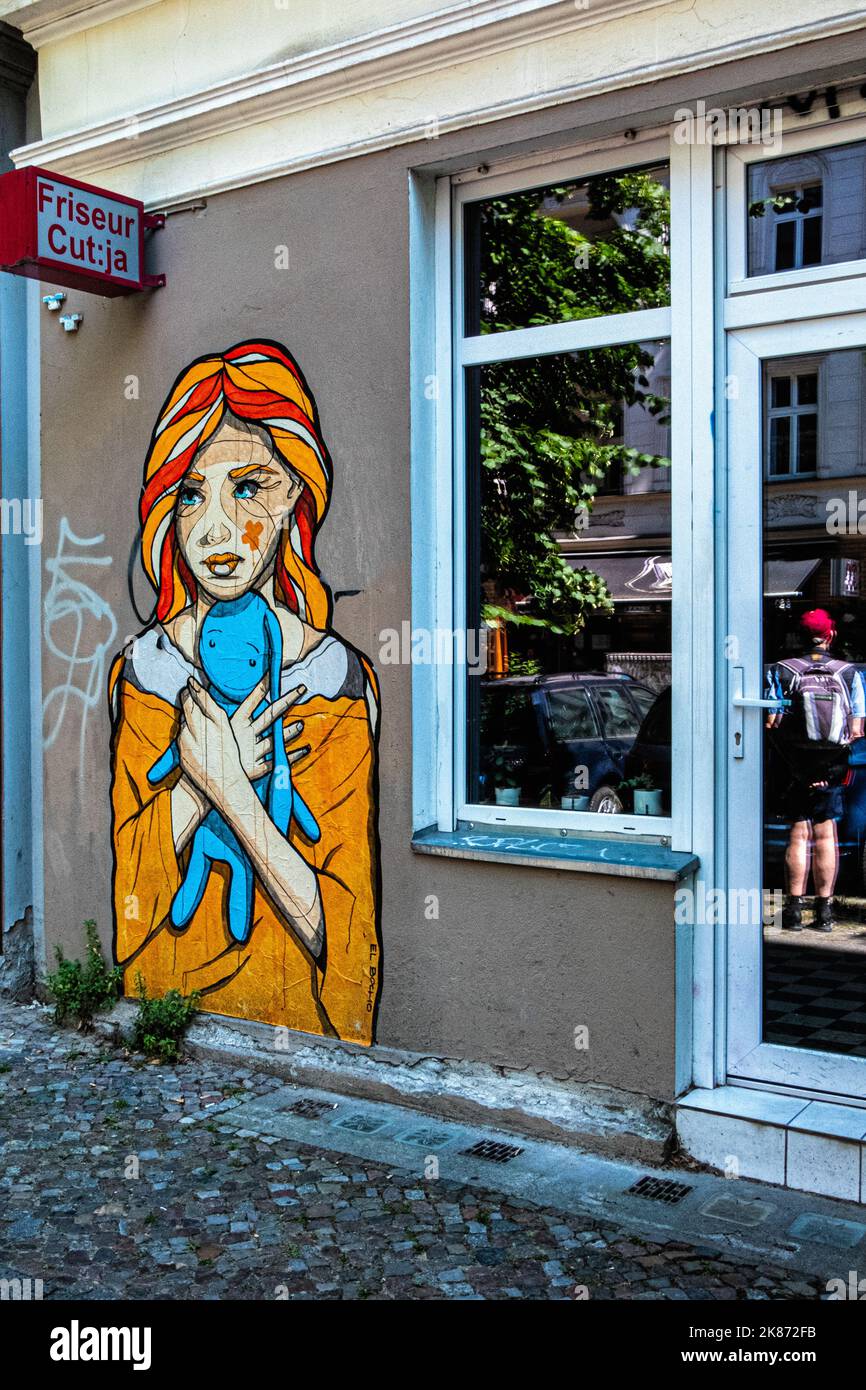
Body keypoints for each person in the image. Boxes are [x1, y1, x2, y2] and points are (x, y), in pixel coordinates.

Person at [109, 341, 381, 1041]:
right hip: (165, 997)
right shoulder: (147, 670)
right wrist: (195, 786)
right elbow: (132, 905)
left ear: (296, 495)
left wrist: (228, 787)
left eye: (250, 486)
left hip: (298, 1018)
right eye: (192, 493)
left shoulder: (334, 684)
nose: (217, 529)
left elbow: (345, 942)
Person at [765, 608, 865, 933]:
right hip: (833, 764)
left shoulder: (782, 671)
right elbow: (856, 729)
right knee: (826, 834)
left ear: (801, 634)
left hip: (794, 766)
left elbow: (771, 723)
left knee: (799, 833)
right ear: (831, 634)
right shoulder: (848, 673)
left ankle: (792, 913)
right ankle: (825, 915)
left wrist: (800, 766)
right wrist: (828, 766)